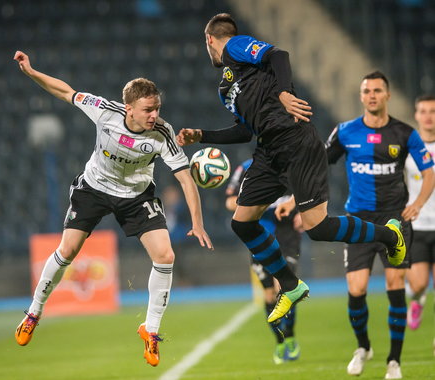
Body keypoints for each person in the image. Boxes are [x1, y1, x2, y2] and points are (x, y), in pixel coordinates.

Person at [175, 13, 406, 324]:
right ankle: (290, 284)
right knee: (242, 223)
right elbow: (244, 131)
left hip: (295, 139)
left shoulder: (235, 46)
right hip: (268, 151)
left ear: (209, 40)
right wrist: (201, 136)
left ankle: (390, 236)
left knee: (319, 228)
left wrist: (284, 92)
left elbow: (278, 55)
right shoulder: (224, 88)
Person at [12, 51, 213, 367]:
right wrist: (31, 72)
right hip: (94, 188)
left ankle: (151, 330)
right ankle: (35, 311)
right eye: (148, 109)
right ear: (129, 108)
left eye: (157, 108)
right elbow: (65, 91)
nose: (154, 115)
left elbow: (186, 180)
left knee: (166, 255)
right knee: (68, 250)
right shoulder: (104, 111)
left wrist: (198, 223)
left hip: (136, 196)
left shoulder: (163, 133)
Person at [324, 72, 434, 378]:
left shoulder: (404, 133)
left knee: (395, 285)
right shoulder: (345, 131)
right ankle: (364, 347)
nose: (372, 95)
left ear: (387, 95)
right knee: (356, 288)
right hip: (358, 221)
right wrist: (299, 199)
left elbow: (429, 171)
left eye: (377, 90)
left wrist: (418, 204)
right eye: (366, 91)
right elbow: (320, 163)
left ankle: (394, 362)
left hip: (394, 221)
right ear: (361, 96)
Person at [226, 159, 303, 364]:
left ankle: (291, 337)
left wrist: (304, 212)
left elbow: (308, 188)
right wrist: (254, 201)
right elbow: (229, 201)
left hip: (288, 236)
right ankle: (279, 342)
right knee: (269, 295)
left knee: (284, 288)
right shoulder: (246, 168)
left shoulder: (290, 163)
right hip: (261, 237)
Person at [404, 95, 435, 337]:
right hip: (417, 226)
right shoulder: (409, 149)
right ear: (416, 115)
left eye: (432, 111)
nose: (428, 116)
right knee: (419, 284)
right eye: (423, 111)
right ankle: (417, 299)